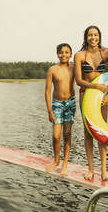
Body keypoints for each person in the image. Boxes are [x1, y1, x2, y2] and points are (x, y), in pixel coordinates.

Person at [74, 26, 108, 180]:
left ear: (99, 36)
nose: (93, 38)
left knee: (102, 131)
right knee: (88, 132)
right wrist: (96, 86)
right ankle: (91, 169)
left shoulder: (106, 53)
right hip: (85, 94)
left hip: (102, 96)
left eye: (96, 35)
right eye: (90, 35)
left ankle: (104, 170)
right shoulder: (79, 55)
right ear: (86, 37)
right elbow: (79, 81)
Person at [45, 43, 76, 177]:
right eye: (61, 52)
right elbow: (47, 91)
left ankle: (65, 164)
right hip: (56, 104)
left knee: (67, 134)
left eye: (66, 52)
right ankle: (56, 160)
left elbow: (85, 77)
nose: (64, 55)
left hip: (70, 103)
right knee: (56, 136)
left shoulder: (74, 68)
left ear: (70, 54)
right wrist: (50, 110)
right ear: (57, 54)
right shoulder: (52, 69)